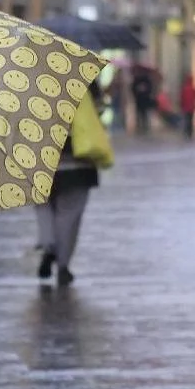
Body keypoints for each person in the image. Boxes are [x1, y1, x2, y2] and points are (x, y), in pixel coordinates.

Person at [37, 82, 112, 287]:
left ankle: (48, 243)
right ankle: (62, 265)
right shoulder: (86, 80)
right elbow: (100, 114)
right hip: (78, 162)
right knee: (68, 216)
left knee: (42, 206)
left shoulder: (32, 79)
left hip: (41, 160)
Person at [129, 67, 157, 135]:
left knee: (144, 114)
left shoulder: (147, 80)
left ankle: (145, 126)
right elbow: (133, 88)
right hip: (139, 99)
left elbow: (150, 88)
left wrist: (145, 90)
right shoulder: (136, 79)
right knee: (139, 114)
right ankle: (140, 126)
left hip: (145, 99)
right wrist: (138, 90)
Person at [179, 73, 195, 140]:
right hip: (191, 108)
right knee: (190, 120)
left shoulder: (184, 89)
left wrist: (181, 106)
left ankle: (186, 132)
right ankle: (190, 132)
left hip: (186, 107)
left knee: (186, 120)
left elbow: (182, 98)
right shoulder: (193, 89)